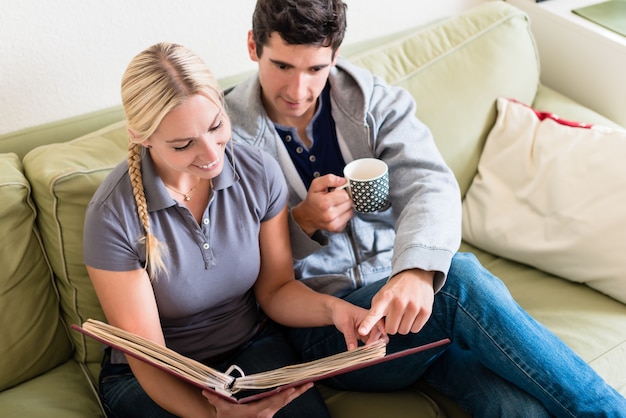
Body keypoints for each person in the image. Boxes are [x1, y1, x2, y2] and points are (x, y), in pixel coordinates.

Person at [224, 0, 626, 416]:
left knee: (518, 408)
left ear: (335, 56)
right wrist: (301, 224)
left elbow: (430, 184)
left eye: (316, 69)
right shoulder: (224, 137)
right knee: (459, 280)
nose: (298, 90)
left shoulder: (372, 100)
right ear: (254, 46)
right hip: (333, 333)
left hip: (414, 315)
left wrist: (415, 271)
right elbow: (229, 258)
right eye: (283, 66)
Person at [82, 42, 383, 418]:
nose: (211, 155)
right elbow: (149, 360)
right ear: (142, 137)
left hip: (251, 349)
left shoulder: (258, 172)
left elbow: (276, 290)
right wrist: (215, 417)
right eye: (183, 144)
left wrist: (337, 311)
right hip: (157, 374)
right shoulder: (112, 216)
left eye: (215, 126)